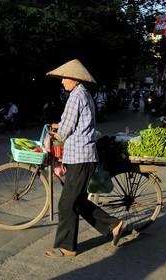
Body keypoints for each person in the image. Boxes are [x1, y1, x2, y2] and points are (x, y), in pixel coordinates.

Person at [44, 59, 123, 258]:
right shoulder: (83, 94)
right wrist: (59, 126)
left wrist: (57, 132)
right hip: (82, 156)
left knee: (66, 203)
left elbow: (66, 128)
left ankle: (67, 247)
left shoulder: (75, 96)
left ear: (74, 78)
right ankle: (113, 224)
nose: (62, 82)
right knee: (76, 201)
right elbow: (73, 123)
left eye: (64, 78)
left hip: (80, 157)